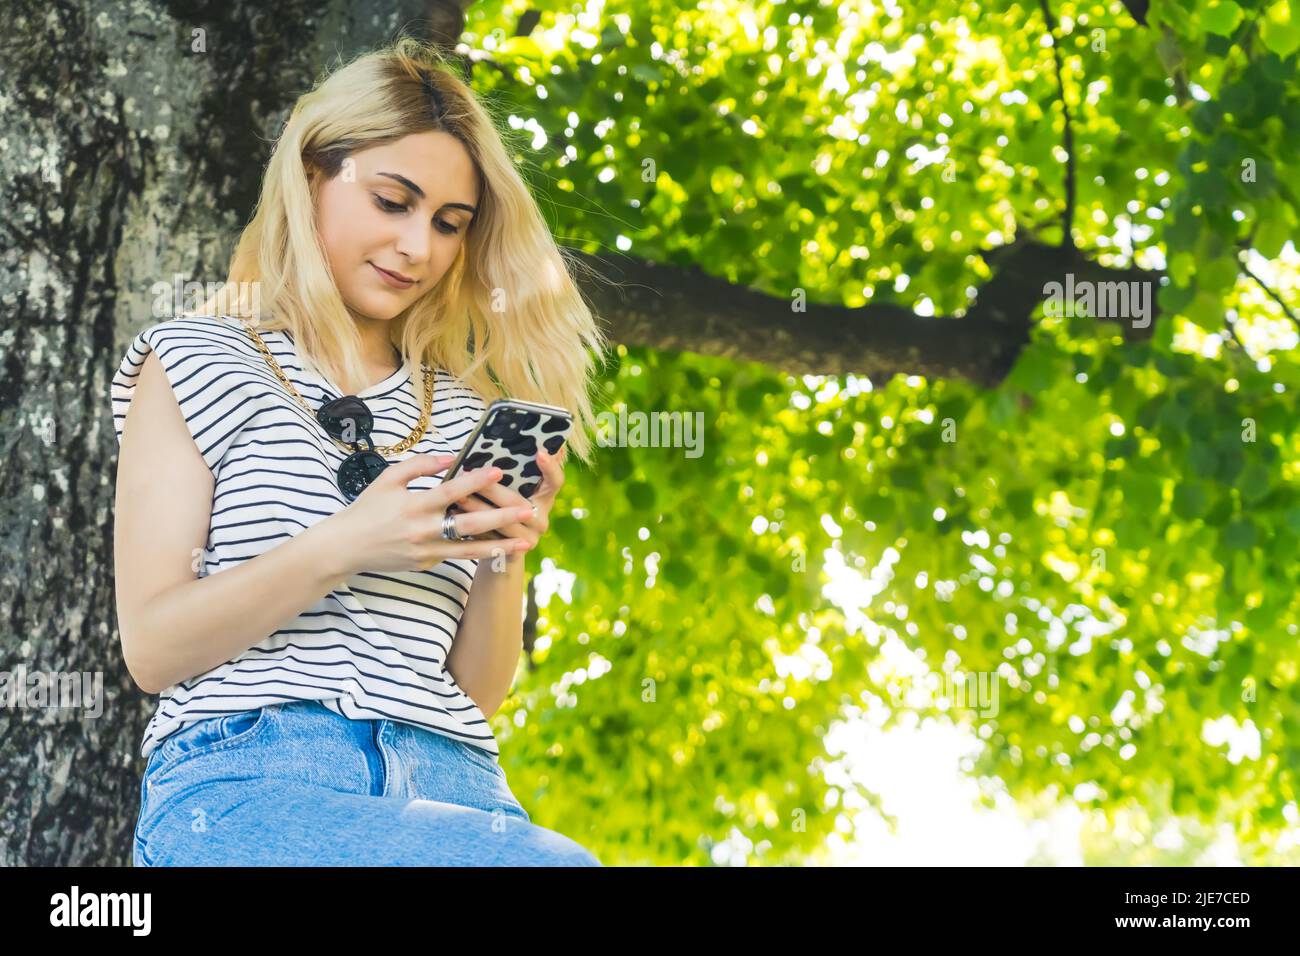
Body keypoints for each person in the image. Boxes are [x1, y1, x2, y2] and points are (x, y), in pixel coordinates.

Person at [110, 36, 608, 866]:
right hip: (249, 783)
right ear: (312, 177)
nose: (420, 246)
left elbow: (474, 692)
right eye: (392, 201)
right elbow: (153, 647)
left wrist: (504, 552)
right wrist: (348, 544)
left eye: (450, 224)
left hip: (459, 788)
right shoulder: (195, 360)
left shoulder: (460, 413)